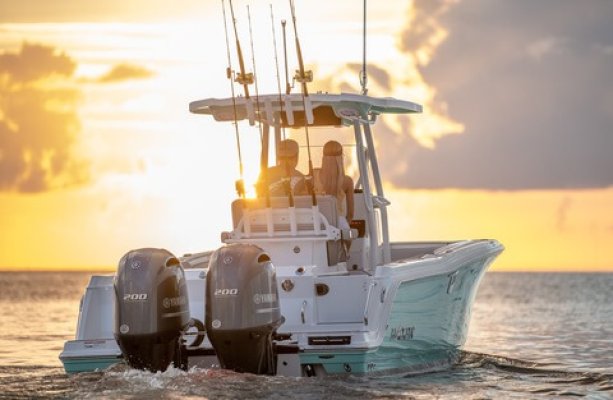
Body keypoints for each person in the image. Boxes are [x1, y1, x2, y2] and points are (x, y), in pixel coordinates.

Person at [315, 140, 354, 232]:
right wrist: (344, 225)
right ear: (341, 157)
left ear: (323, 156)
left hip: (317, 221)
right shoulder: (347, 181)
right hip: (338, 222)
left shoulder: (314, 175)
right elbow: (351, 213)